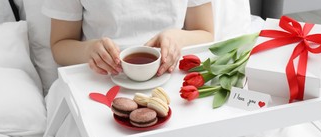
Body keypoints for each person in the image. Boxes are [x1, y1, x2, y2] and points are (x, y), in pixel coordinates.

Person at [42, 0, 214, 77]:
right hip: (101, 78)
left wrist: (177, 38)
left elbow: (205, 33)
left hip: (171, 78)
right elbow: (60, 45)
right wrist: (89, 50)